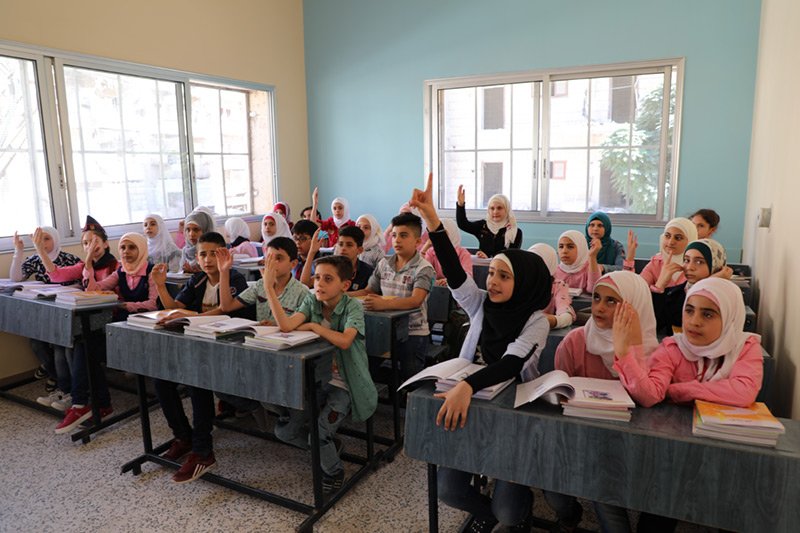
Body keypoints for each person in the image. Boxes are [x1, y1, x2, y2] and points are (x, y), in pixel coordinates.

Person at [409, 173, 550, 532]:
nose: (492, 281)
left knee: (509, 513)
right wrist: (433, 221)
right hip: (470, 403)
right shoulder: (481, 304)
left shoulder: (537, 321)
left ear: (525, 283)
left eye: (504, 276)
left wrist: (467, 385)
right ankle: (485, 511)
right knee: (448, 491)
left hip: (510, 413)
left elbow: (511, 364)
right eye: (492, 273)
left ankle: (517, 506)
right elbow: (456, 275)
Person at [546, 271, 659, 533]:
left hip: (623, 449)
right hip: (578, 440)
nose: (598, 307)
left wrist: (626, 350)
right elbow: (562, 396)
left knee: (608, 508)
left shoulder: (653, 351)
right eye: (597, 298)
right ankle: (570, 517)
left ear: (635, 305)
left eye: (612, 301)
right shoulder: (575, 341)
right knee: (554, 494)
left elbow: (647, 400)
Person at [263, 254, 377, 493]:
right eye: (316, 278)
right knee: (284, 431)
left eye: (328, 279)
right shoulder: (312, 303)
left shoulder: (352, 306)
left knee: (317, 435)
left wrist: (313, 326)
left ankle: (334, 470)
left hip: (345, 385)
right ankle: (327, 445)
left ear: (345, 285)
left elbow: (345, 341)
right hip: (316, 382)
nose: (319, 284)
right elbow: (286, 325)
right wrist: (269, 288)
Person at [148, 231, 252, 483]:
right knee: (161, 380)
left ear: (225, 253)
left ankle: (203, 450)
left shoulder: (235, 278)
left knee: (198, 381)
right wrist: (161, 286)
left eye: (212, 254)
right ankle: (183, 436)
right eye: (201, 254)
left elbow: (225, 313)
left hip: (233, 350)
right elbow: (177, 307)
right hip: (201, 348)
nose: (206, 259)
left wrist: (192, 316)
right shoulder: (198, 280)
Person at [55, 233, 159, 434]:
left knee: (89, 351)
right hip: (120, 327)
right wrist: (87, 264)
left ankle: (96, 405)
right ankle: (82, 404)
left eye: (131, 248)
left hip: (141, 330)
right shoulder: (121, 270)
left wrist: (122, 304)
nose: (126, 252)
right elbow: (95, 289)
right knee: (83, 344)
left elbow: (153, 304)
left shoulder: (152, 271)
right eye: (123, 248)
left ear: (141, 249)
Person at [351, 212, 435, 381]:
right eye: (394, 235)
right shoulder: (384, 264)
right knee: (365, 369)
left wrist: (383, 304)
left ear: (418, 242)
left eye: (404, 236)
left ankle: (405, 398)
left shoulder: (424, 268)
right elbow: (368, 291)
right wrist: (342, 295)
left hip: (413, 332)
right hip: (383, 328)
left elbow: (416, 301)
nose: (397, 240)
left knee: (409, 377)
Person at [12, 227, 81, 405]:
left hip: (64, 312)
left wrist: (61, 291)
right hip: (43, 312)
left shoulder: (68, 259)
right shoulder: (35, 259)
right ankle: (55, 376)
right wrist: (18, 251)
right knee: (35, 343)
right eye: (39, 239)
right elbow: (15, 279)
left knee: (60, 349)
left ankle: (67, 389)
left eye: (47, 239)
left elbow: (84, 283)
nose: (43, 243)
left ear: (56, 240)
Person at [652, 239, 733, 334]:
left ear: (716, 266)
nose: (690, 267)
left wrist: (709, 284)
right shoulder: (673, 294)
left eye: (699, 262)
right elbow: (654, 325)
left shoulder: (726, 297)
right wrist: (660, 285)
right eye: (687, 260)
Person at [624, 218, 698, 293]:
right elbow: (634, 292)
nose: (671, 242)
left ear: (690, 240)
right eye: (667, 236)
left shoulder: (697, 266)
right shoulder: (655, 263)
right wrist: (629, 258)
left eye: (678, 238)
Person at [455, 187, 522, 258]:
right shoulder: (483, 226)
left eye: (499, 208)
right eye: (492, 208)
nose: (495, 212)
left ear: (507, 209)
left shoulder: (515, 232)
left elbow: (512, 257)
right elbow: (463, 225)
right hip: (483, 268)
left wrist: (489, 258)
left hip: (503, 268)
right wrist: (460, 205)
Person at [528, 243, 575, 329]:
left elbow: (567, 317)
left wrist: (542, 319)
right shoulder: (518, 284)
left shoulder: (558, 286)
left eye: (537, 262)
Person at [425, 218, 472, 286]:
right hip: (436, 289)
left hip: (457, 291)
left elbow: (468, 277)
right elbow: (424, 274)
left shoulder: (463, 253)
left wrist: (449, 281)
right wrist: (435, 282)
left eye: (443, 234)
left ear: (452, 232)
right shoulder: (431, 251)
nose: (440, 237)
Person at [554, 230, 602, 295]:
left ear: (580, 248)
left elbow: (594, 290)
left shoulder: (590, 268)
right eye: (561, 247)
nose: (564, 251)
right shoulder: (555, 270)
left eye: (570, 247)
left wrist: (592, 256)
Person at [333, 226, 374, 291]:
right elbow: (310, 283)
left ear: (360, 250)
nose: (343, 248)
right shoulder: (330, 267)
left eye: (349, 245)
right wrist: (312, 252)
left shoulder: (368, 272)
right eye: (340, 244)